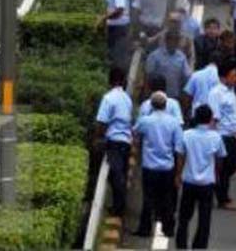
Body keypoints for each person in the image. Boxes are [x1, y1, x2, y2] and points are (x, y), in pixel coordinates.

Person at [133, 91, 184, 237]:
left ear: (152, 105)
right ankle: (168, 229)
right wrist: (178, 173)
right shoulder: (174, 123)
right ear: (165, 105)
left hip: (149, 167)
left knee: (148, 198)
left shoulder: (146, 121)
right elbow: (179, 149)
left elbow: (135, 133)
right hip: (167, 167)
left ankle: (145, 229)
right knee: (167, 198)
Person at [176, 105, 226, 249]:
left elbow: (180, 157)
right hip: (207, 183)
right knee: (204, 219)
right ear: (210, 119)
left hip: (189, 181)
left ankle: (181, 245)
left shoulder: (187, 135)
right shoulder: (215, 137)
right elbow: (220, 158)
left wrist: (178, 175)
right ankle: (199, 246)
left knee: (184, 217)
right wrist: (216, 173)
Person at [94, 67, 132, 218]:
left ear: (110, 80)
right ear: (123, 80)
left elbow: (102, 122)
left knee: (116, 176)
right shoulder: (127, 98)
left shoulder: (108, 98)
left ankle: (118, 209)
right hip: (126, 141)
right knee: (121, 173)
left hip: (114, 141)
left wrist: (97, 138)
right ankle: (119, 206)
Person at [208, 61, 236, 210]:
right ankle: (222, 197)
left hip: (233, 134)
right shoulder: (216, 93)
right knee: (226, 166)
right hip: (222, 135)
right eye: (233, 75)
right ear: (224, 77)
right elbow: (214, 117)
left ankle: (217, 186)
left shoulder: (231, 92)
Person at [101, 0, 131, 71]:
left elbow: (119, 10)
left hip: (119, 27)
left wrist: (103, 18)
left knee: (116, 55)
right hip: (113, 25)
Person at [146, 30, 193, 99]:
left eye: (176, 41)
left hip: (175, 95)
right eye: (171, 40)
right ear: (166, 41)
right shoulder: (155, 56)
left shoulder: (181, 57)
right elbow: (149, 74)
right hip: (157, 95)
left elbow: (187, 75)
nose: (174, 43)